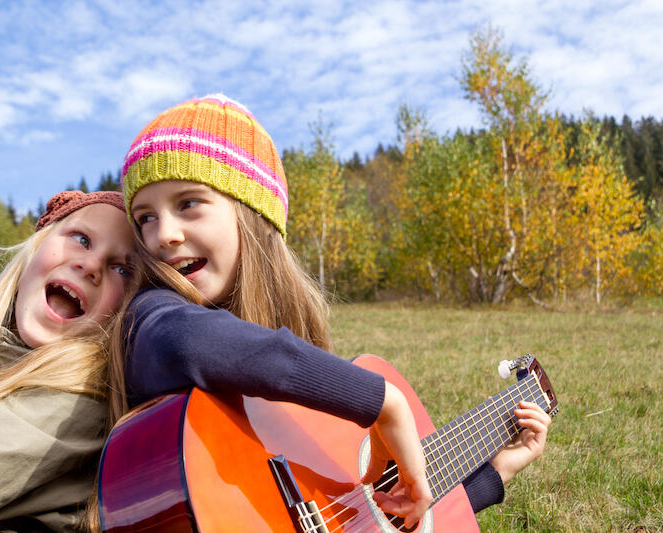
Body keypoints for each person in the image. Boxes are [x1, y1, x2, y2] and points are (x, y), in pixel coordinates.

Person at [113, 94, 551, 529]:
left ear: (252, 213)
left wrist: (496, 474)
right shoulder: (152, 316)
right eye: (145, 217)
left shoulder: (293, 383)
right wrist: (384, 402)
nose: (163, 235)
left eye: (187, 203)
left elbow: (365, 517)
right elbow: (190, 342)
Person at [0, 190, 140, 532]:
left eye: (122, 270)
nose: (91, 265)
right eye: (81, 239)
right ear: (35, 249)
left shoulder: (75, 404)